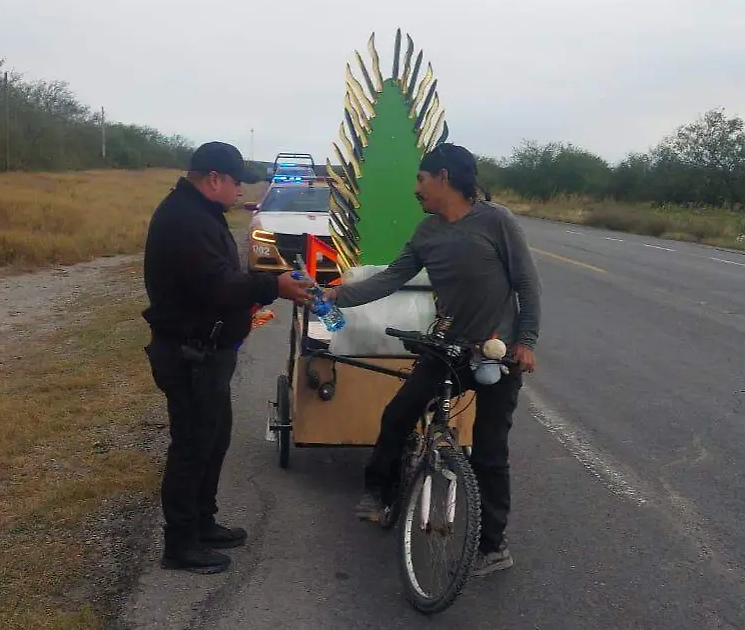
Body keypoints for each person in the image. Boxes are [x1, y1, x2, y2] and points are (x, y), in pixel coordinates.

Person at [325, 142, 541, 577]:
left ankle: (492, 547)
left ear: (444, 177)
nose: (417, 189)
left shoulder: (497, 222)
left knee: (490, 451)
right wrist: (337, 295)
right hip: (447, 347)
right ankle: (380, 494)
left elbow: (526, 283)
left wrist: (527, 340)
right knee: (399, 413)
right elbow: (390, 278)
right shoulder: (427, 232)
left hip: (496, 355)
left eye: (421, 179)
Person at [142, 141, 313, 575]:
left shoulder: (201, 214)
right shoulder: (185, 220)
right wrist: (273, 287)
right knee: (193, 447)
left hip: (208, 354)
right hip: (189, 355)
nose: (240, 191)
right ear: (214, 178)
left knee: (213, 440)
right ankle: (180, 545)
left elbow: (226, 280)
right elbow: (217, 286)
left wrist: (262, 284)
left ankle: (203, 522)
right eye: (237, 182)